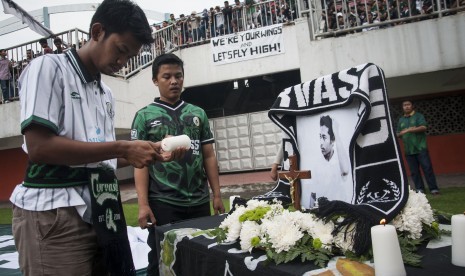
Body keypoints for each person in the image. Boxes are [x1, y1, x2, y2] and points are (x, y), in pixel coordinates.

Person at [9, 0, 181, 275]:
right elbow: (39, 147)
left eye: (129, 57)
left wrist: (150, 154)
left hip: (101, 215)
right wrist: (122, 146)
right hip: (55, 214)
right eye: (121, 50)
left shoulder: (106, 94)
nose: (122, 62)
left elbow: (100, 161)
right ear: (97, 31)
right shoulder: (48, 68)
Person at [131, 53, 225, 276]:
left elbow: (209, 156)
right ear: (155, 80)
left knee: (202, 255)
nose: (174, 81)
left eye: (178, 76)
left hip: (199, 200)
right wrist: (143, 205)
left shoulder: (198, 114)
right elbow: (139, 164)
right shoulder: (144, 116)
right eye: (166, 77)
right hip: (164, 202)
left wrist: (217, 194)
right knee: (163, 260)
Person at [397, 100, 440, 195]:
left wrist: (409, 130)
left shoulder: (418, 116)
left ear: (412, 106)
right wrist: (401, 133)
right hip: (408, 150)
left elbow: (424, 127)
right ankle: (420, 189)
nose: (406, 107)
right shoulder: (401, 120)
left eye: (408, 104)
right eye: (404, 105)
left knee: (427, 169)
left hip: (420, 148)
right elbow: (398, 133)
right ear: (402, 107)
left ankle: (434, 189)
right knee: (414, 172)